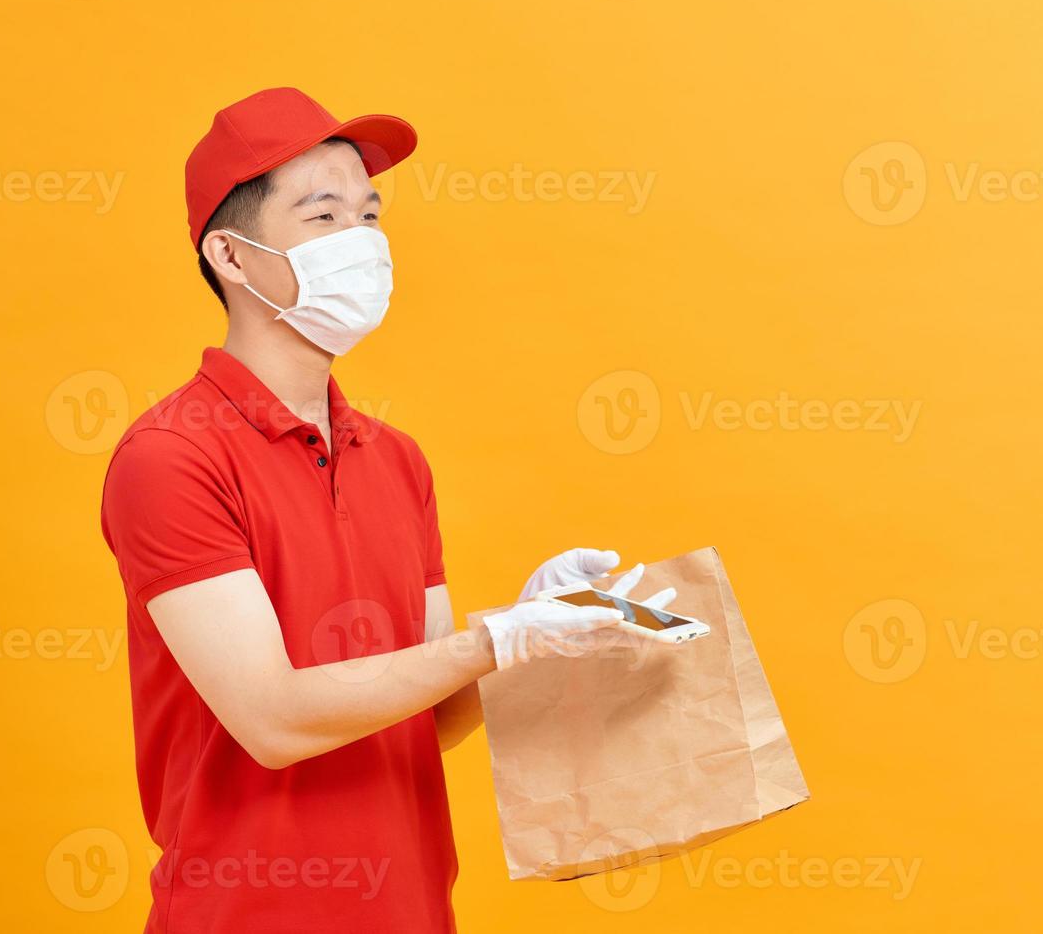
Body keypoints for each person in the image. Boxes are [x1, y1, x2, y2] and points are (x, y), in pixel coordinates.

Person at [100, 87, 669, 933]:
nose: (362, 241)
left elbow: (429, 719)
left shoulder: (395, 460)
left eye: (370, 214)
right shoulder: (171, 456)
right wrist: (490, 639)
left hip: (409, 911)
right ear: (231, 253)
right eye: (323, 215)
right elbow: (273, 719)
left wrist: (529, 629)